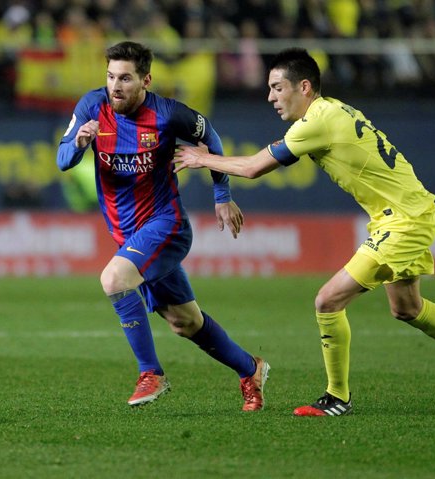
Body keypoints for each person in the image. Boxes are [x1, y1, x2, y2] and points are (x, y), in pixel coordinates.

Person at [173, 47, 435, 416]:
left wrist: (200, 158)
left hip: (404, 219)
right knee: (407, 308)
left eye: (277, 87)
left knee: (327, 301)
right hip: (404, 213)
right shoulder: (332, 109)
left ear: (303, 86)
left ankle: (337, 397)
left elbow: (254, 167)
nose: (270, 97)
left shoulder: (317, 121)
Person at [56, 41, 269, 410]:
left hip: (165, 225)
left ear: (146, 80)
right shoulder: (92, 107)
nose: (115, 86)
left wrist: (222, 196)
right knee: (185, 322)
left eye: (125, 78)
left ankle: (150, 372)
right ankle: (250, 369)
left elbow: (211, 138)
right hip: (128, 235)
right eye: (110, 77)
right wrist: (78, 142)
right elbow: (62, 159)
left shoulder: (168, 115)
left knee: (114, 279)